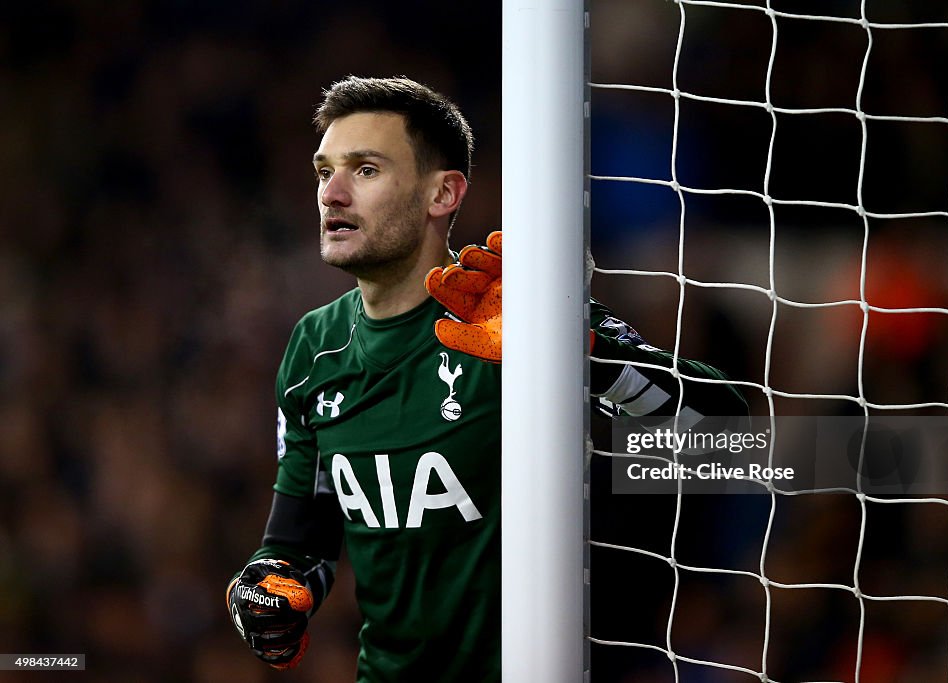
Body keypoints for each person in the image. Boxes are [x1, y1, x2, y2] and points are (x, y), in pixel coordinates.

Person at [226, 75, 747, 682]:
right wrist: (266, 592)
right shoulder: (312, 347)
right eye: (323, 171)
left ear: (442, 193)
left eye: (365, 170)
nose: (332, 194)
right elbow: (300, 544)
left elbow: (728, 435)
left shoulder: (512, 313)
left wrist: (579, 352)